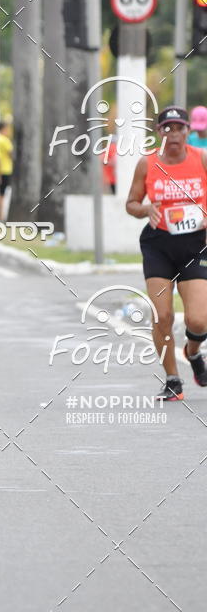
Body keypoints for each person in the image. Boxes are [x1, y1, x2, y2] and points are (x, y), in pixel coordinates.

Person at [126, 106, 207, 401]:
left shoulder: (202, 159)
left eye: (179, 128)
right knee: (162, 315)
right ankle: (173, 380)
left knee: (198, 321)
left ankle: (193, 352)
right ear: (158, 133)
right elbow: (131, 204)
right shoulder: (147, 164)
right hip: (158, 244)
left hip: (196, 244)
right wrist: (148, 209)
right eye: (167, 128)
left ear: (188, 131)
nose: (173, 134)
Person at [0, 118, 14, 219]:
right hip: (6, 170)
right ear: (4, 129)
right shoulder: (5, 140)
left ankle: (0, 216)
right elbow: (11, 155)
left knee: (1, 194)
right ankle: (1, 217)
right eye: (8, 128)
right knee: (2, 194)